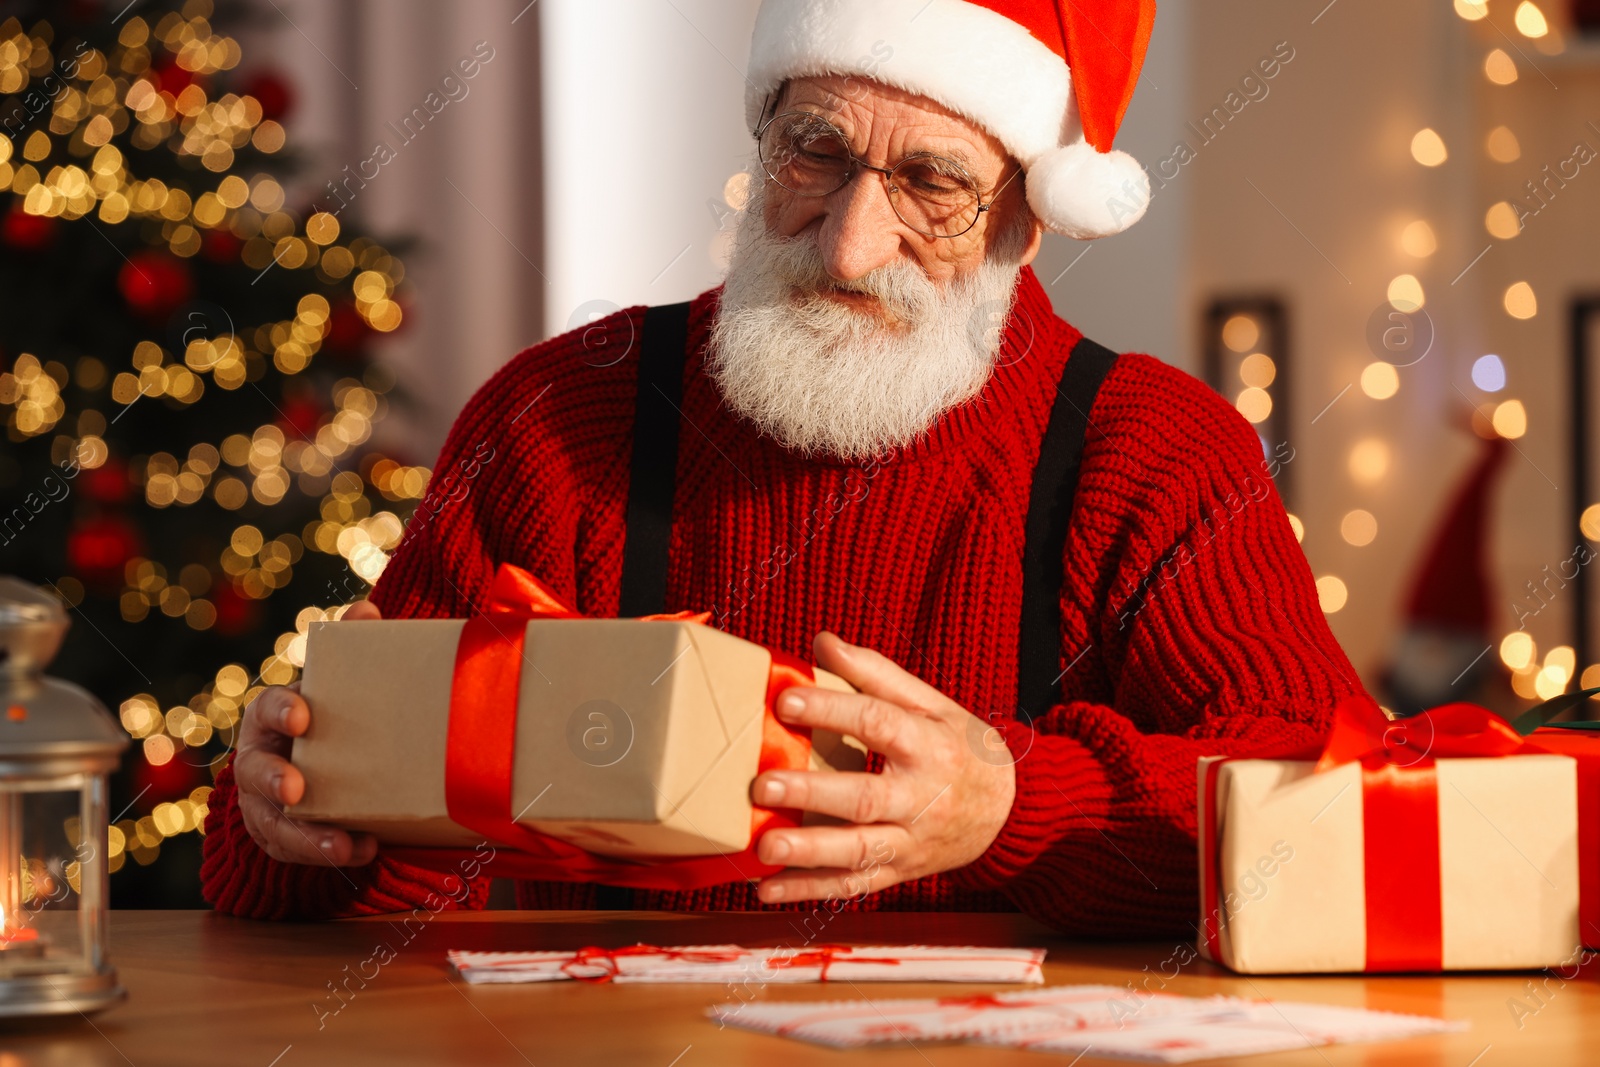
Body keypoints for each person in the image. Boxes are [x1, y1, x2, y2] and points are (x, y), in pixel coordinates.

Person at [202, 0, 1364, 936]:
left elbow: (1332, 826)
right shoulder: (559, 417)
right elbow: (312, 888)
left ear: (1027, 216)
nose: (851, 243)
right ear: (762, 143)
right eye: (814, 150)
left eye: (933, 182)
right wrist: (295, 816)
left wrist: (1011, 804)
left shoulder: (1154, 452)